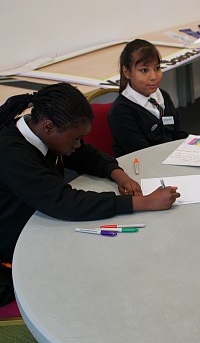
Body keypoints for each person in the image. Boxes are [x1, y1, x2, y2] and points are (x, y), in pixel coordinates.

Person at [0, 83, 180, 306]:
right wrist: (143, 202)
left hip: (38, 220)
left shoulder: (44, 133)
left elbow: (83, 153)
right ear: (48, 127)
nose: (78, 144)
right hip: (15, 245)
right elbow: (63, 201)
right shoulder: (11, 152)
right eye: (74, 138)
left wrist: (118, 174)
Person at [108, 39, 188, 157]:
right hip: (144, 165)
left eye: (157, 68)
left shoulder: (163, 96)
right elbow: (143, 154)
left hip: (172, 158)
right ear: (127, 72)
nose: (154, 77)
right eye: (144, 70)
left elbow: (179, 134)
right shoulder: (121, 111)